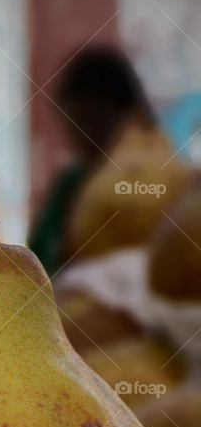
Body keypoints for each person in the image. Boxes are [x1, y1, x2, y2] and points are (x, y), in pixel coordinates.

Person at [28, 47, 155, 275]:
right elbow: (35, 267)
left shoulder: (160, 186)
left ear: (132, 116)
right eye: (77, 122)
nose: (87, 134)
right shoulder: (68, 188)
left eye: (98, 120)